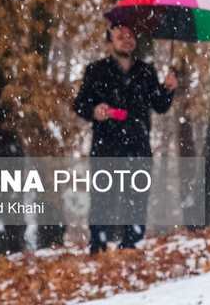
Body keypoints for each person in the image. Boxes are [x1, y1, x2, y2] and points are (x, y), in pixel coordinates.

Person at [74, 23, 178, 254]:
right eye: (120, 35)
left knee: (136, 200)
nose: (127, 39)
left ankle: (131, 247)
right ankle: (98, 247)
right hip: (106, 146)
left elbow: (159, 105)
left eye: (131, 35)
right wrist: (95, 110)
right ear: (110, 41)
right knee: (103, 199)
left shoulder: (146, 71)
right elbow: (80, 104)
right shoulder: (96, 70)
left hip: (138, 145)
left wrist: (169, 88)